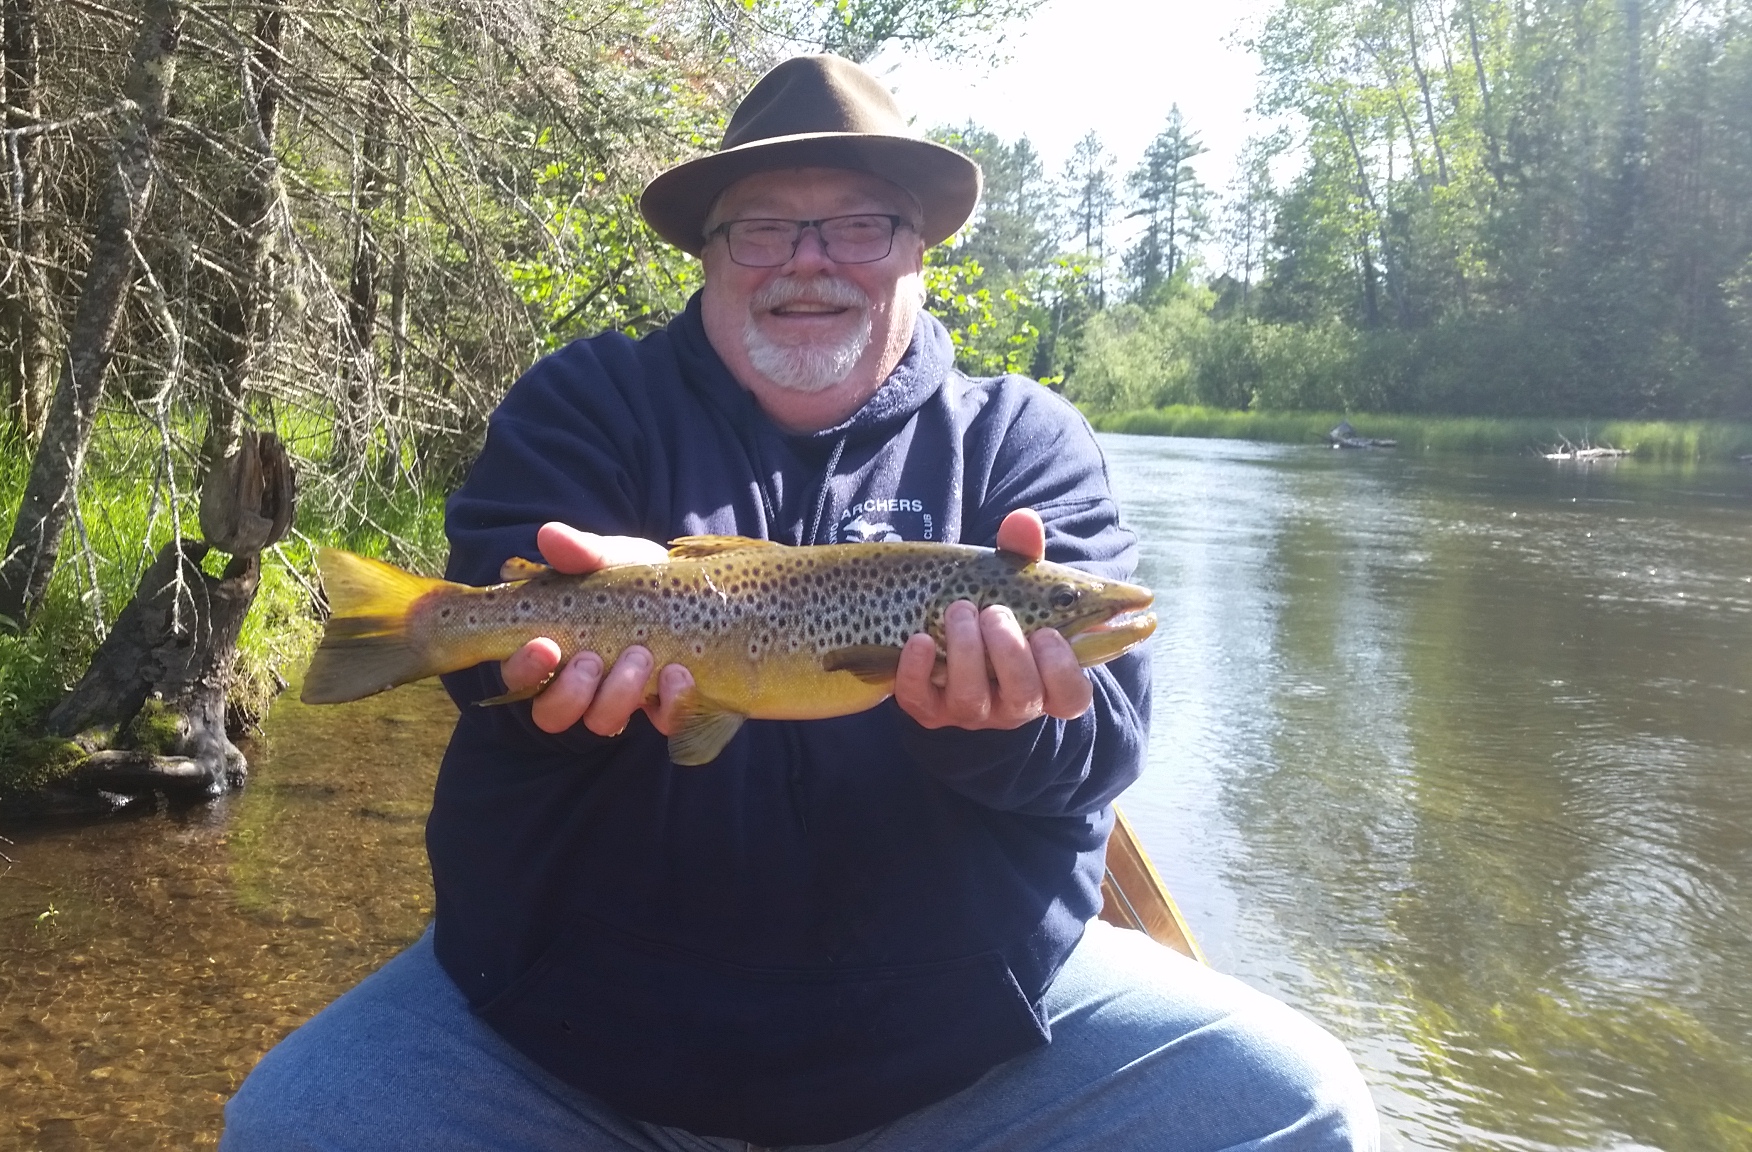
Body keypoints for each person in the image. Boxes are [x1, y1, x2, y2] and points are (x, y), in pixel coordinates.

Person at [224, 55, 1379, 1152]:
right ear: (711, 254)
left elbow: (1108, 738)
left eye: (858, 226)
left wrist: (1002, 726)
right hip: (565, 1041)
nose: (808, 262)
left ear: (918, 249)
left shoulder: (1022, 442)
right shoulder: (587, 401)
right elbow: (486, 675)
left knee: (1303, 1108)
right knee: (290, 1123)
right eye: (765, 227)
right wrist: (537, 671)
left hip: (964, 1053)